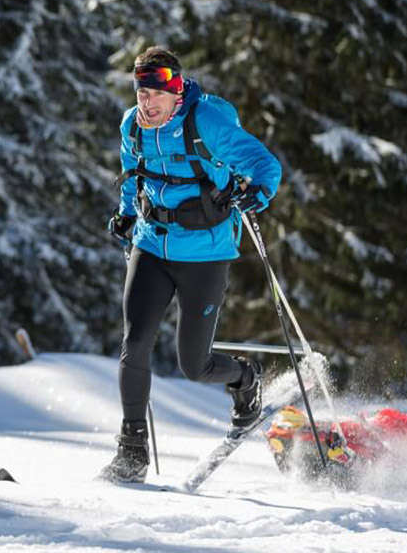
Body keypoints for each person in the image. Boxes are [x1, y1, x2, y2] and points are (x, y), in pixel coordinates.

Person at [101, 47, 282, 483]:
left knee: (193, 365)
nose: (148, 102)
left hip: (205, 253)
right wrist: (127, 213)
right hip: (151, 245)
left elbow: (264, 164)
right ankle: (131, 453)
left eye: (157, 93)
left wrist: (258, 191)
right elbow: (133, 174)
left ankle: (245, 378)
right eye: (142, 92)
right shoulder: (132, 126)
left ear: (177, 90)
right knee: (135, 342)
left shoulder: (206, 123)